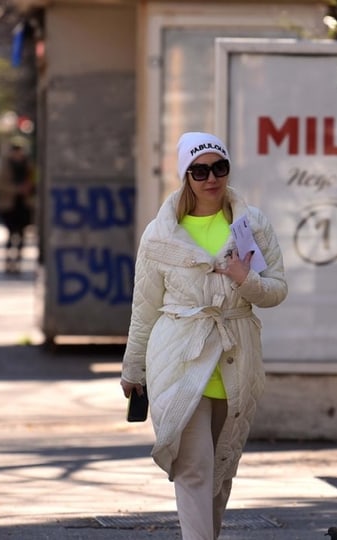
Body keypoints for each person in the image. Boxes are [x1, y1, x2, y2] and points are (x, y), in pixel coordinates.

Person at [120, 132, 288, 539]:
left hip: (236, 357)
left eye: (219, 167)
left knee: (220, 470)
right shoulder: (160, 234)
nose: (211, 178)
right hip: (179, 357)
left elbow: (277, 289)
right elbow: (144, 308)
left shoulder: (252, 224)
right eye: (199, 170)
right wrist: (133, 366)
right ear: (185, 176)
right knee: (194, 466)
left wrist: (245, 280)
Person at [0, 140, 34, 273]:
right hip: (9, 205)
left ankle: (18, 261)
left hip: (24, 204)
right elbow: (0, 185)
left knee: (22, 234)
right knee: (11, 233)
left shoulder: (28, 165)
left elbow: (34, 181)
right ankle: (8, 261)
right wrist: (17, 189)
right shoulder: (5, 166)